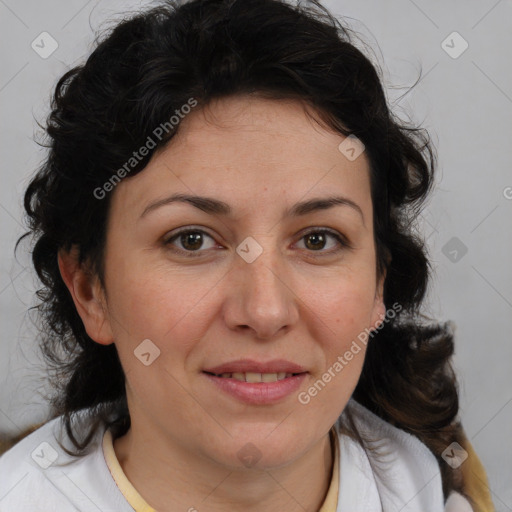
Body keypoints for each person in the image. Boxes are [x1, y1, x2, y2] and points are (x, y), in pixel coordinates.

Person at [0, 0, 494, 510]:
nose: (264, 312)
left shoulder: (437, 491)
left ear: (378, 286)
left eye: (318, 239)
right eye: (191, 240)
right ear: (90, 289)